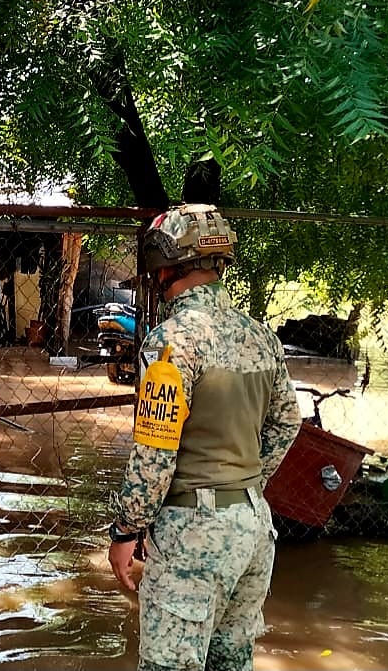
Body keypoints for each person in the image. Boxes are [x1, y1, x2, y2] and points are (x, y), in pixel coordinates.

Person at [107, 204, 301, 671]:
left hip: (192, 534)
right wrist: (244, 485)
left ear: (165, 265)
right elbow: (287, 421)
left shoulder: (170, 343)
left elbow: (155, 455)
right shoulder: (260, 337)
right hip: (254, 529)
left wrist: (126, 530)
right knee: (232, 660)